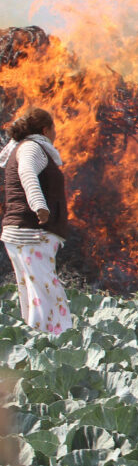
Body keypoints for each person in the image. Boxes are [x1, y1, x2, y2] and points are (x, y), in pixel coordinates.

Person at [0, 108, 71, 335]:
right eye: (54, 128)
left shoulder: (20, 148)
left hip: (21, 233)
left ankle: (35, 341)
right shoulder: (33, 147)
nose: (56, 133)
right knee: (47, 292)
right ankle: (56, 339)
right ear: (45, 130)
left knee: (33, 292)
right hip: (32, 233)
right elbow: (28, 173)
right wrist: (39, 205)